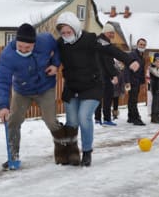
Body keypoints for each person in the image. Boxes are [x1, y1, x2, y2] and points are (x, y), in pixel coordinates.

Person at [55, 12, 139, 166]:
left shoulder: (90, 39)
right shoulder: (61, 43)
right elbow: (50, 55)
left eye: (69, 31)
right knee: (72, 121)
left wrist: (129, 60)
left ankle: (87, 152)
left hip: (92, 86)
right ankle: (72, 152)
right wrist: (52, 66)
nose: (66, 35)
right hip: (72, 87)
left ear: (76, 28)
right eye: (63, 32)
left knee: (84, 117)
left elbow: (111, 50)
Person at [0, 23, 67, 169]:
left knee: (50, 121)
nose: (23, 50)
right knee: (13, 121)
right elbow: (2, 79)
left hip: (45, 87)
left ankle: (65, 150)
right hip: (22, 90)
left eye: (28, 47)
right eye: (20, 46)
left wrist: (55, 64)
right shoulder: (9, 54)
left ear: (35, 43)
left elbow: (57, 49)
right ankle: (13, 157)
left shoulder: (46, 40)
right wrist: (3, 106)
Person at [95, 23, 120, 126]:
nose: (112, 35)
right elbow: (107, 61)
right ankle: (106, 119)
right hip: (104, 75)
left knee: (98, 97)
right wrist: (114, 74)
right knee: (107, 97)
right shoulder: (105, 43)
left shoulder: (97, 41)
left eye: (113, 33)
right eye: (110, 33)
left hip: (96, 74)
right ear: (105, 32)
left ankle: (97, 119)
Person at [125, 38, 147, 125]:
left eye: (144, 45)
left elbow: (141, 71)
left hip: (137, 81)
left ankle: (130, 117)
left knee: (132, 100)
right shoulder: (132, 55)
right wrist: (127, 81)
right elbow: (126, 69)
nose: (142, 46)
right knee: (133, 100)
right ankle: (136, 118)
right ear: (137, 45)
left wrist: (142, 83)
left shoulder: (142, 57)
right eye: (141, 44)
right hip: (131, 81)